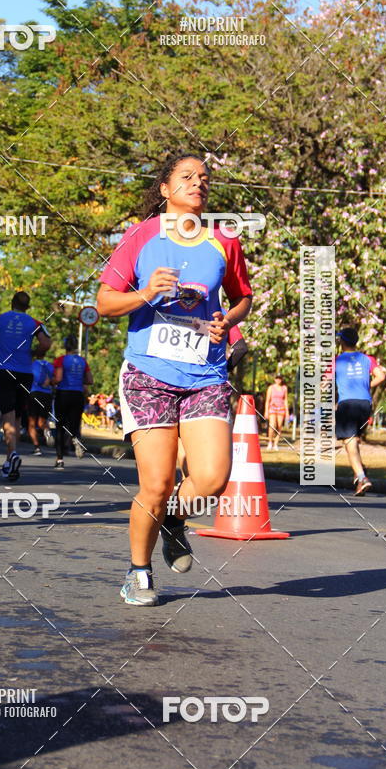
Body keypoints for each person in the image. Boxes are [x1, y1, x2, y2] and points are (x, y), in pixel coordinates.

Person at [97, 153, 252, 605]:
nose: (198, 183)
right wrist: (144, 293)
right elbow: (105, 302)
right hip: (149, 373)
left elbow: (243, 298)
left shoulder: (224, 240)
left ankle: (173, 519)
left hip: (205, 373)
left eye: (204, 178)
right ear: (165, 188)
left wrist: (227, 318)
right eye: (186, 177)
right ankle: (139, 573)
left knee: (212, 479)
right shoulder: (141, 237)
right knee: (158, 484)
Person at [0, 291, 51, 481]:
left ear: (11, 303)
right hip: (25, 373)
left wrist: (0, 348)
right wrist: (34, 353)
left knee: (7, 414)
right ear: (27, 307)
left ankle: (12, 453)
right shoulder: (35, 323)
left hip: (4, 371)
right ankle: (9, 461)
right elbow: (46, 343)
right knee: (18, 417)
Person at [335, 326, 386, 495]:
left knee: (349, 441)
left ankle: (362, 476)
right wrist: (366, 386)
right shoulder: (367, 358)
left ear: (341, 341)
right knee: (354, 439)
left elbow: (324, 383)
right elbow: (381, 376)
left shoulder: (336, 360)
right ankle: (360, 475)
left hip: (347, 403)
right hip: (365, 403)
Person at [52, 335, 93, 469]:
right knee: (73, 424)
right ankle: (75, 438)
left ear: (65, 347)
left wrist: (50, 382)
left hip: (63, 394)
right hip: (78, 395)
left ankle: (59, 460)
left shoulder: (60, 360)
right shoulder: (83, 361)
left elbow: (58, 378)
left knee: (59, 426)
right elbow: (90, 380)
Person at [28, 354, 54, 455]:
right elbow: (54, 380)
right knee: (42, 421)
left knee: (32, 423)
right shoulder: (50, 366)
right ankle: (46, 430)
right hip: (47, 395)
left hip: (34, 393)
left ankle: (37, 448)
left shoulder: (32, 364)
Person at [264, 375, 289, 450]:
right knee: (272, 425)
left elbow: (285, 400)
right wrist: (266, 411)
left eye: (280, 379)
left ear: (281, 380)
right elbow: (267, 400)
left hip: (281, 408)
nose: (278, 380)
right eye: (277, 378)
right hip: (272, 408)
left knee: (279, 426)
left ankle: (275, 444)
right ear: (275, 379)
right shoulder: (271, 388)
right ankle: (270, 442)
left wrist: (287, 411)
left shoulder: (284, 388)